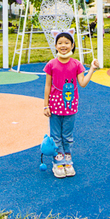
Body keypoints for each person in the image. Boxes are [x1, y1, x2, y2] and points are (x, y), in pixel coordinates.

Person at [43, 31, 99, 179]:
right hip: (55, 106)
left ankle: (68, 160)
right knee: (56, 135)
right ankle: (58, 161)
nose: (63, 46)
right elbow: (47, 86)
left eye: (67, 43)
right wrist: (45, 105)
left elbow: (82, 83)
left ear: (72, 45)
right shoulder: (51, 64)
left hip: (70, 106)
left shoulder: (76, 64)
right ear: (55, 45)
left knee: (67, 136)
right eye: (60, 43)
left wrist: (92, 69)